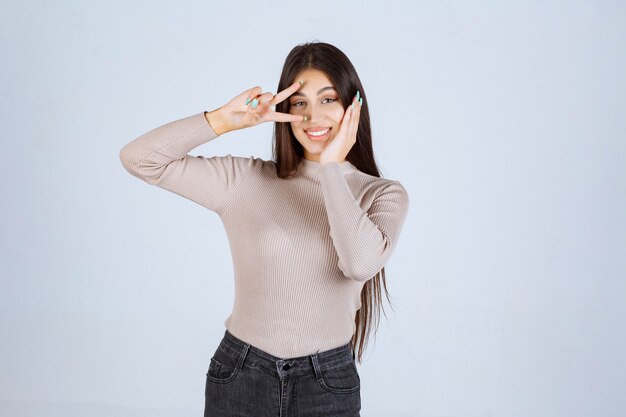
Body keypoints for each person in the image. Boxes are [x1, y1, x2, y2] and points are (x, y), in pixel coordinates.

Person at [119, 41, 409, 417]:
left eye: (328, 99)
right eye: (299, 103)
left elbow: (359, 264)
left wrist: (330, 170)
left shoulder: (382, 194)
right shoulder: (246, 180)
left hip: (327, 383)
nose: (313, 116)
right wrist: (222, 120)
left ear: (353, 107)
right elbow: (139, 159)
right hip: (242, 374)